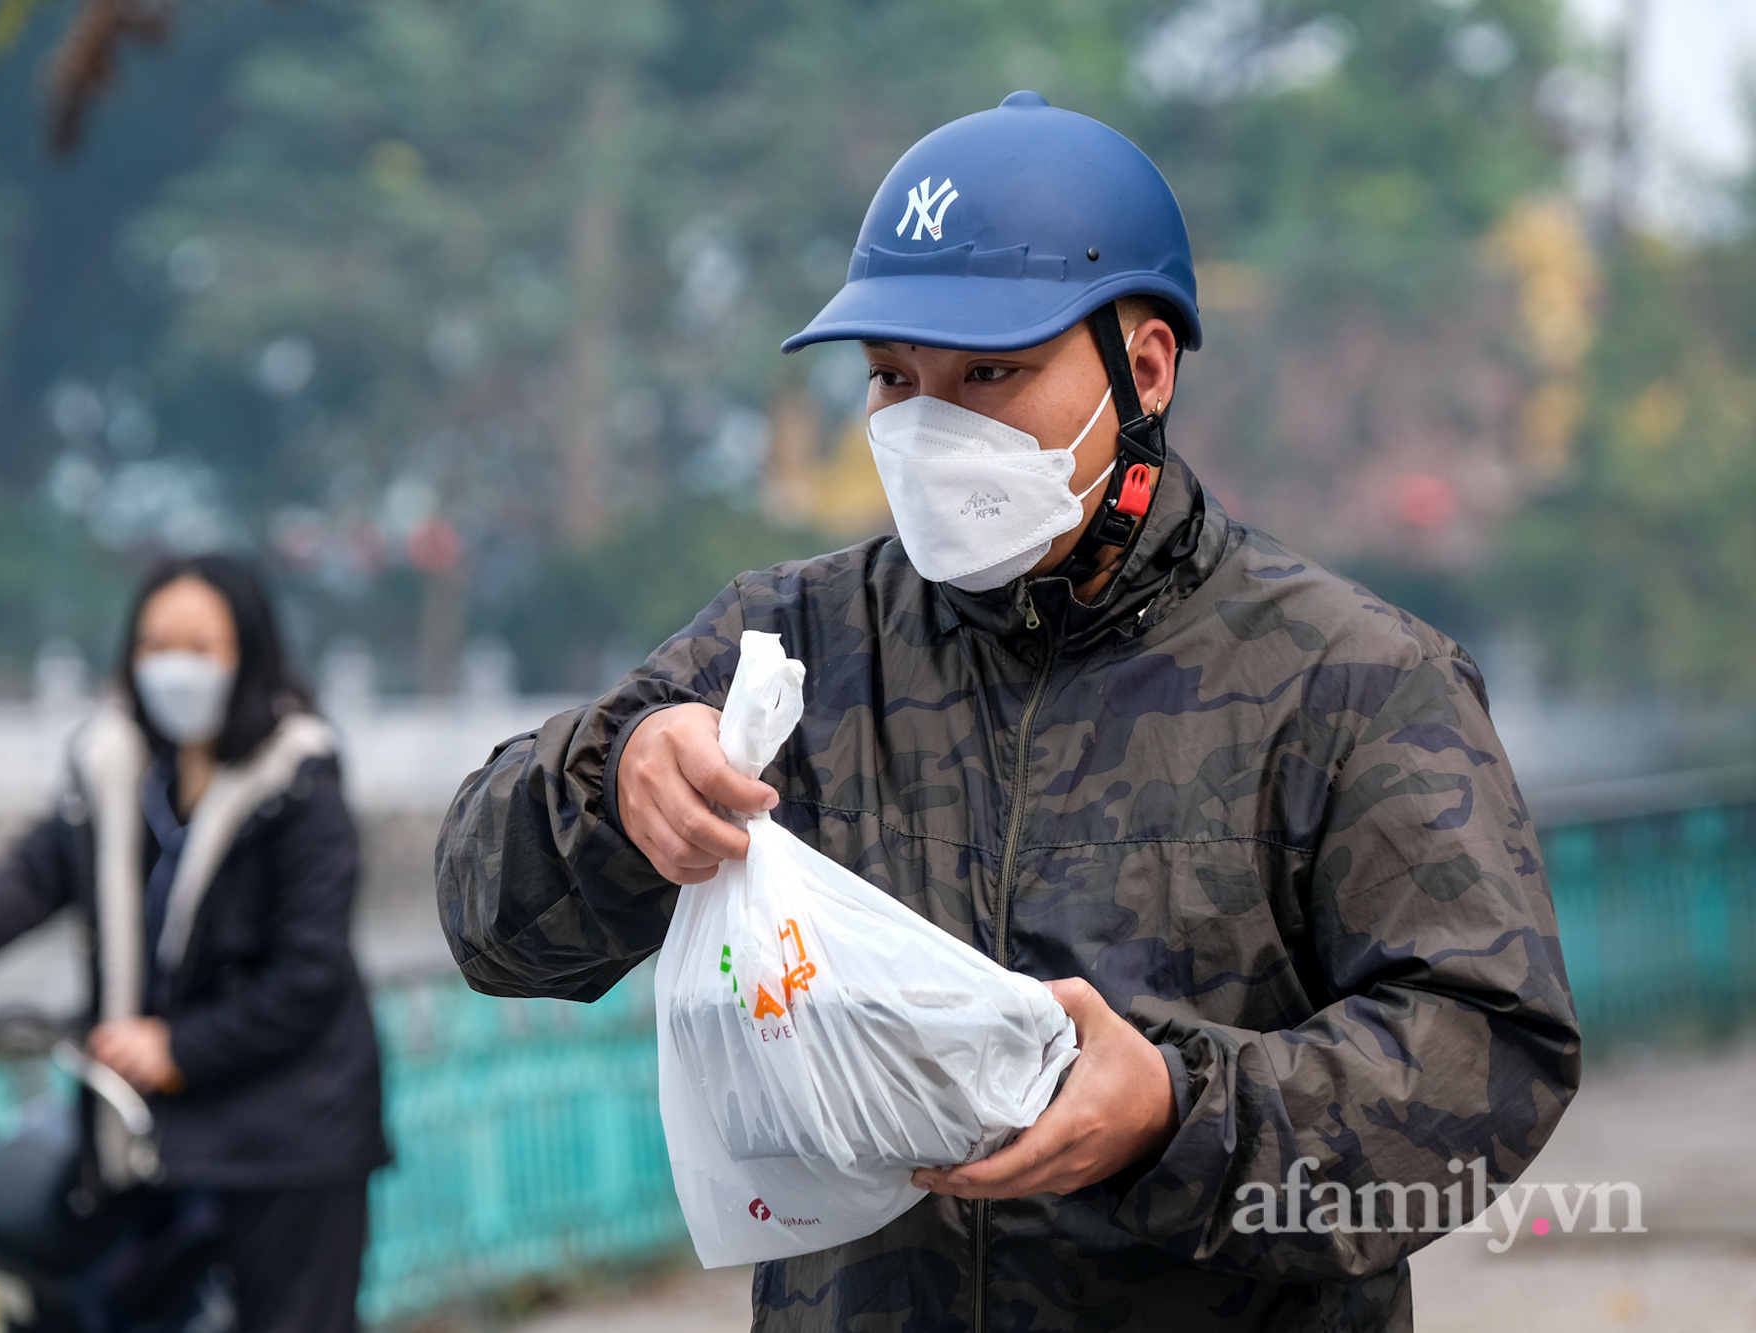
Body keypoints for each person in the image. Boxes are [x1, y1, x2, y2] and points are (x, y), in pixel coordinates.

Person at [437, 93, 1580, 1331]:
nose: (929, 424)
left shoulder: (1348, 677)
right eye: (892, 377)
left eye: (991, 370)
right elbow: (489, 925)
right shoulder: (796, 644)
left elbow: (1487, 1055)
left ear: (1141, 369)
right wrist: (613, 785)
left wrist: (1171, 1115)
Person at [0, 554, 387, 1333]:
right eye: (157, 644)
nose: (177, 667)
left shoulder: (299, 780)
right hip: (158, 1130)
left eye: (202, 646)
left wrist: (178, 1046)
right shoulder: (116, 772)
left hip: (292, 1133)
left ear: (249, 652)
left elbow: (309, 973)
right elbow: (29, 878)